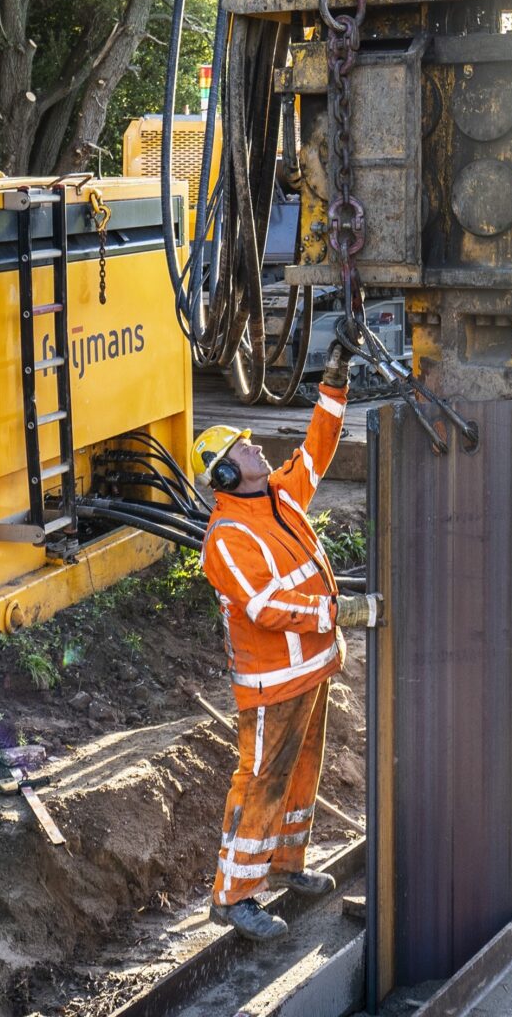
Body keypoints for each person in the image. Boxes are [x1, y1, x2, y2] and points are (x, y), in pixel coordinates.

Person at [190, 337, 376, 942]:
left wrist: (335, 376)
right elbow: (267, 608)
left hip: (313, 671)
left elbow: (317, 448)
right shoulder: (226, 538)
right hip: (272, 685)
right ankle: (234, 896)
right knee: (262, 779)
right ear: (223, 473)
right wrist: (339, 612)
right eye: (244, 448)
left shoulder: (280, 497)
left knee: (301, 775)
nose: (255, 446)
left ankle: (287, 865)